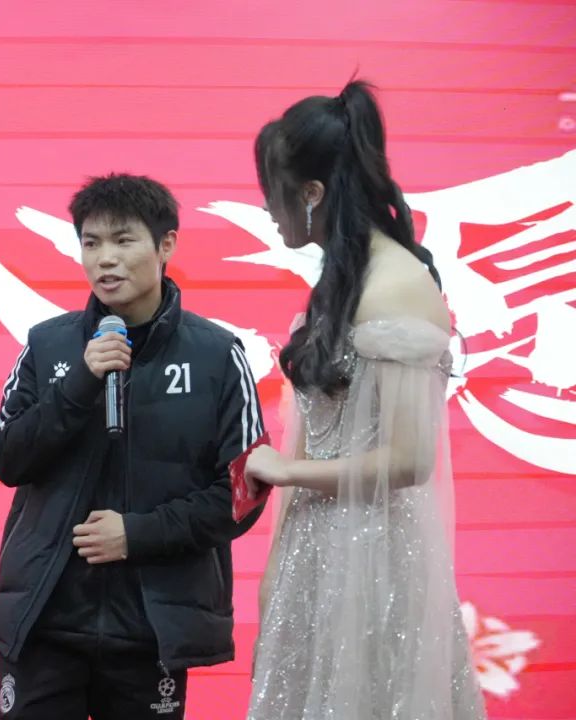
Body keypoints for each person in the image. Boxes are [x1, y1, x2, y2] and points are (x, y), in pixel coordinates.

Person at [244, 81, 487, 719]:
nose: (267, 208)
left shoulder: (396, 285)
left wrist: (286, 471)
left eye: (273, 191)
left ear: (312, 193)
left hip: (373, 562)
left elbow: (409, 460)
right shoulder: (341, 280)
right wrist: (275, 574)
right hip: (315, 554)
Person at [0, 173, 266, 719]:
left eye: (123, 240)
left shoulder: (217, 355)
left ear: (166, 245)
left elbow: (243, 493)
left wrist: (137, 534)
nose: (105, 259)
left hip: (151, 629)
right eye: (91, 243)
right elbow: (8, 458)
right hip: (45, 621)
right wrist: (79, 384)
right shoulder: (48, 345)